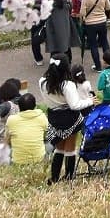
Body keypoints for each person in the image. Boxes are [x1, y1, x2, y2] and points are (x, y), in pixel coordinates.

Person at [40, 52, 96, 183]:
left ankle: (54, 177)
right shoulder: (67, 85)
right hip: (69, 118)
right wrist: (90, 101)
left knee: (59, 147)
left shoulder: (42, 82)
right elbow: (75, 105)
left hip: (54, 117)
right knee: (70, 148)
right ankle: (69, 176)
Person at [4, 93, 49, 166]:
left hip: (17, 161)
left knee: (10, 149)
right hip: (38, 159)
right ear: (35, 106)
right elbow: (49, 134)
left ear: (19, 107)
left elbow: (7, 140)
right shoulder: (41, 117)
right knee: (50, 144)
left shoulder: (11, 120)